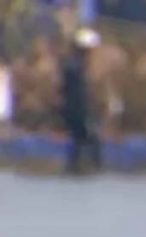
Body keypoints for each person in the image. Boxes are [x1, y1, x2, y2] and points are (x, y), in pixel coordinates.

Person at [60, 28, 102, 175]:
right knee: (90, 137)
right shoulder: (75, 66)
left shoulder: (72, 64)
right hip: (76, 109)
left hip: (73, 108)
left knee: (79, 138)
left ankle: (75, 164)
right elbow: (79, 92)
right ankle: (90, 165)